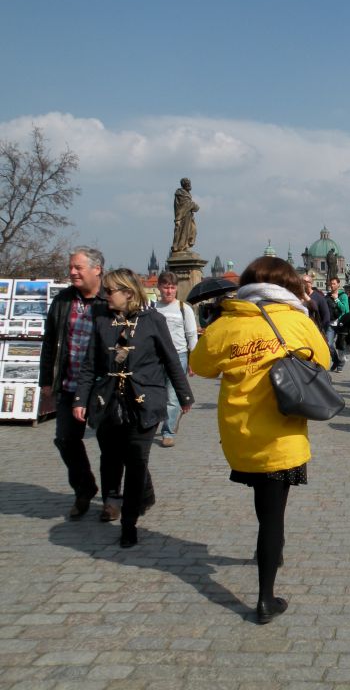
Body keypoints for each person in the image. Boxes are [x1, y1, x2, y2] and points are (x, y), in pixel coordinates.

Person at [190, 256, 330, 624]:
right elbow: (325, 361)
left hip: (239, 432)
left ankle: (273, 551)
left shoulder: (228, 322)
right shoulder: (296, 320)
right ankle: (265, 597)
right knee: (272, 517)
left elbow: (201, 366)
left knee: (264, 502)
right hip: (281, 432)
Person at [72, 269, 194, 548]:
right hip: (108, 401)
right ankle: (117, 499)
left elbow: (171, 360)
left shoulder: (154, 320)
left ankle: (129, 523)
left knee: (137, 460)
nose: (105, 296)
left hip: (144, 400)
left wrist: (185, 395)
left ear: (128, 293)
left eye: (110, 291)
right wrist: (81, 399)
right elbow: (90, 364)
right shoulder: (102, 320)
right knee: (111, 457)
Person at [39, 246, 113, 519]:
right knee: (66, 440)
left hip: (103, 386)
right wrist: (46, 380)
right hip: (69, 384)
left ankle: (112, 498)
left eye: (78, 267)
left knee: (111, 445)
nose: (72, 272)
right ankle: (84, 488)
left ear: (97, 269)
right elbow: (50, 342)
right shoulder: (62, 301)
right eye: (71, 267)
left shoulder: (111, 300)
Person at [154, 271, 198, 448]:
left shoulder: (183, 308)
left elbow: (192, 335)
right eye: (165, 287)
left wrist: (192, 359)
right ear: (159, 287)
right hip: (156, 357)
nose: (169, 291)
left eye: (172, 287)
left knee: (173, 395)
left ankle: (168, 431)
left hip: (178, 355)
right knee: (156, 394)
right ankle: (155, 422)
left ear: (176, 289)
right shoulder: (152, 308)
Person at [171, 178, 199, 253]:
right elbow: (186, 205)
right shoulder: (181, 193)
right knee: (184, 232)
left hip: (189, 216)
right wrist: (194, 205)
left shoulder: (186, 193)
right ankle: (181, 247)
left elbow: (189, 205)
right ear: (184, 185)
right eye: (188, 184)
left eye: (189, 183)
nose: (189, 185)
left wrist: (193, 206)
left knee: (193, 231)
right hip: (183, 216)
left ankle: (186, 245)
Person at [327, 277, 349, 372]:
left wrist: (336, 299)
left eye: (334, 283)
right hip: (330, 324)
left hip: (341, 324)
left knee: (340, 345)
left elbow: (345, 309)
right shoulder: (328, 295)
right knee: (328, 344)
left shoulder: (343, 295)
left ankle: (341, 363)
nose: (332, 285)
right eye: (331, 284)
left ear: (338, 284)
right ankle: (335, 360)